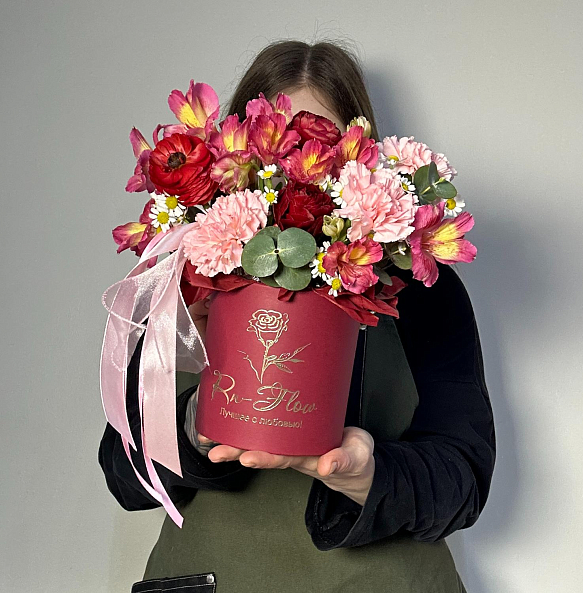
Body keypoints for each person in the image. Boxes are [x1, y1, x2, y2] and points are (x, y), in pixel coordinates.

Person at [98, 39, 496, 593]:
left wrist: (367, 476)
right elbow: (123, 475)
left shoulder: (422, 284)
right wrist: (193, 428)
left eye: (320, 149)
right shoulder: (177, 279)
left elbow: (464, 479)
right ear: (230, 158)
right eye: (275, 148)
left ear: (362, 163)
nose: (296, 174)